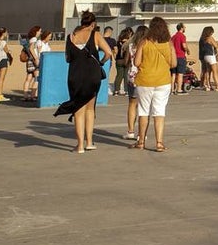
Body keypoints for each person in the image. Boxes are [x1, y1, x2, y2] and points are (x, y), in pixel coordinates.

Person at [54, 11, 115, 152]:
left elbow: (68, 58)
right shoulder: (96, 35)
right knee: (90, 109)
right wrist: (101, 62)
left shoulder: (71, 37)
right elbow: (108, 53)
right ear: (93, 24)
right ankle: (89, 142)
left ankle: (80, 145)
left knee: (78, 109)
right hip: (92, 75)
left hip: (75, 75)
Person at [131, 16, 176, 152]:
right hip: (163, 81)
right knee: (159, 112)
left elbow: (136, 62)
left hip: (145, 80)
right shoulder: (168, 43)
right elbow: (173, 64)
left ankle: (141, 141)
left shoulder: (144, 42)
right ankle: (159, 143)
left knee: (143, 111)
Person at [123, 24, 148, 140]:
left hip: (132, 76)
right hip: (145, 76)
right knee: (144, 105)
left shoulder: (131, 46)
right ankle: (141, 134)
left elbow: (126, 61)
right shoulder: (148, 45)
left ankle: (130, 131)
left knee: (132, 104)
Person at [198, 26, 218, 91]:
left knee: (207, 71)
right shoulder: (210, 38)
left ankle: (207, 86)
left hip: (205, 56)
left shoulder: (202, 39)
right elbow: (216, 45)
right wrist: (217, 44)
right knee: (215, 72)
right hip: (211, 56)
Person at [112, 27, 133, 96]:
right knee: (126, 75)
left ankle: (116, 90)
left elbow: (115, 51)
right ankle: (127, 91)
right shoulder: (129, 42)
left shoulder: (118, 42)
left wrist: (115, 58)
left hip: (119, 60)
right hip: (127, 60)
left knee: (119, 75)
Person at [171, 23, 190, 94]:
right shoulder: (182, 36)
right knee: (180, 74)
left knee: (173, 74)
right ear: (181, 28)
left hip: (173, 57)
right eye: (184, 27)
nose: (185, 28)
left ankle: (172, 90)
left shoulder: (173, 37)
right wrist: (187, 50)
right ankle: (179, 89)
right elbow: (184, 46)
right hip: (180, 57)